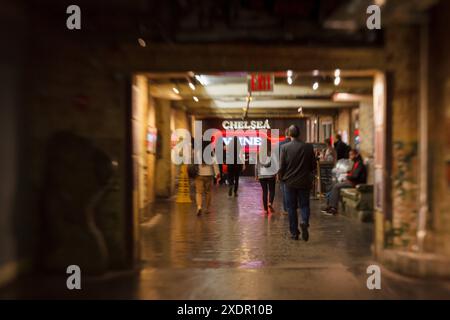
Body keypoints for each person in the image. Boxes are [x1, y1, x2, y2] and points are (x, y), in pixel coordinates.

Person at [279, 125, 317, 241]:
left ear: (289, 134)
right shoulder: (308, 147)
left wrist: (281, 178)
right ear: (299, 134)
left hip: (289, 182)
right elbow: (313, 165)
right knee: (305, 205)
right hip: (304, 181)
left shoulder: (285, 147)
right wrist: (310, 176)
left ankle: (294, 233)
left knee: (291, 208)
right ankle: (304, 221)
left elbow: (282, 166)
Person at [321, 149, 367, 216]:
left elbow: (355, 176)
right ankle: (329, 206)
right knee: (333, 185)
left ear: (356, 155)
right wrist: (347, 174)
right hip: (351, 181)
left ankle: (334, 208)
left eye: (351, 155)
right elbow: (353, 173)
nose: (350, 157)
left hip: (355, 183)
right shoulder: (356, 163)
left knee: (336, 187)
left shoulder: (360, 164)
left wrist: (347, 177)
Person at [194, 141, 220, 216]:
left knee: (199, 192)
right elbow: (215, 164)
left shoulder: (198, 152)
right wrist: (217, 174)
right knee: (208, 192)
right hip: (209, 175)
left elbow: (194, 162)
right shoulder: (211, 153)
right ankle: (207, 208)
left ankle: (199, 207)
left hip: (199, 175)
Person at [255, 141, 279, 214]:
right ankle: (270, 203)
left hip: (262, 175)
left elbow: (256, 166)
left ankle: (265, 210)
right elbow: (276, 164)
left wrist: (256, 175)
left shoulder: (258, 154)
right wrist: (277, 174)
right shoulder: (272, 154)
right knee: (272, 190)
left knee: (264, 191)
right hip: (271, 175)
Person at [278, 129, 291, 215]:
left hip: (283, 170)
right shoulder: (296, 144)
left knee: (284, 189)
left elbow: (278, 158)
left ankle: (286, 209)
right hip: (293, 169)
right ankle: (292, 207)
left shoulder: (280, 144)